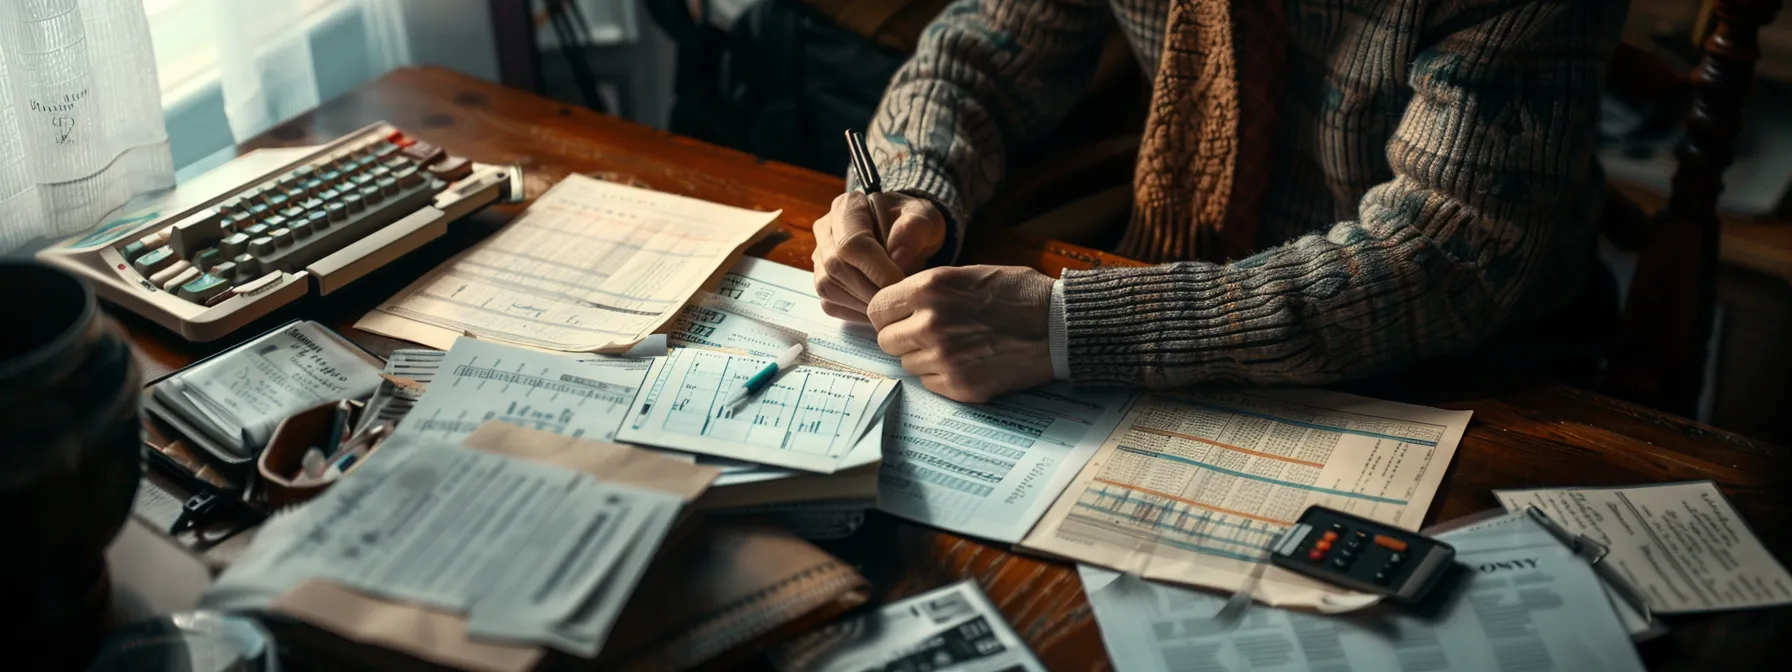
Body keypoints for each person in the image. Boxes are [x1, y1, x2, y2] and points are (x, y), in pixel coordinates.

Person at [810, 0, 1627, 403]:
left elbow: (1448, 253)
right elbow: (980, 58)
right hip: (1177, 284)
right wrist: (907, 185)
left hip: (1471, 368)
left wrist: (1076, 327)